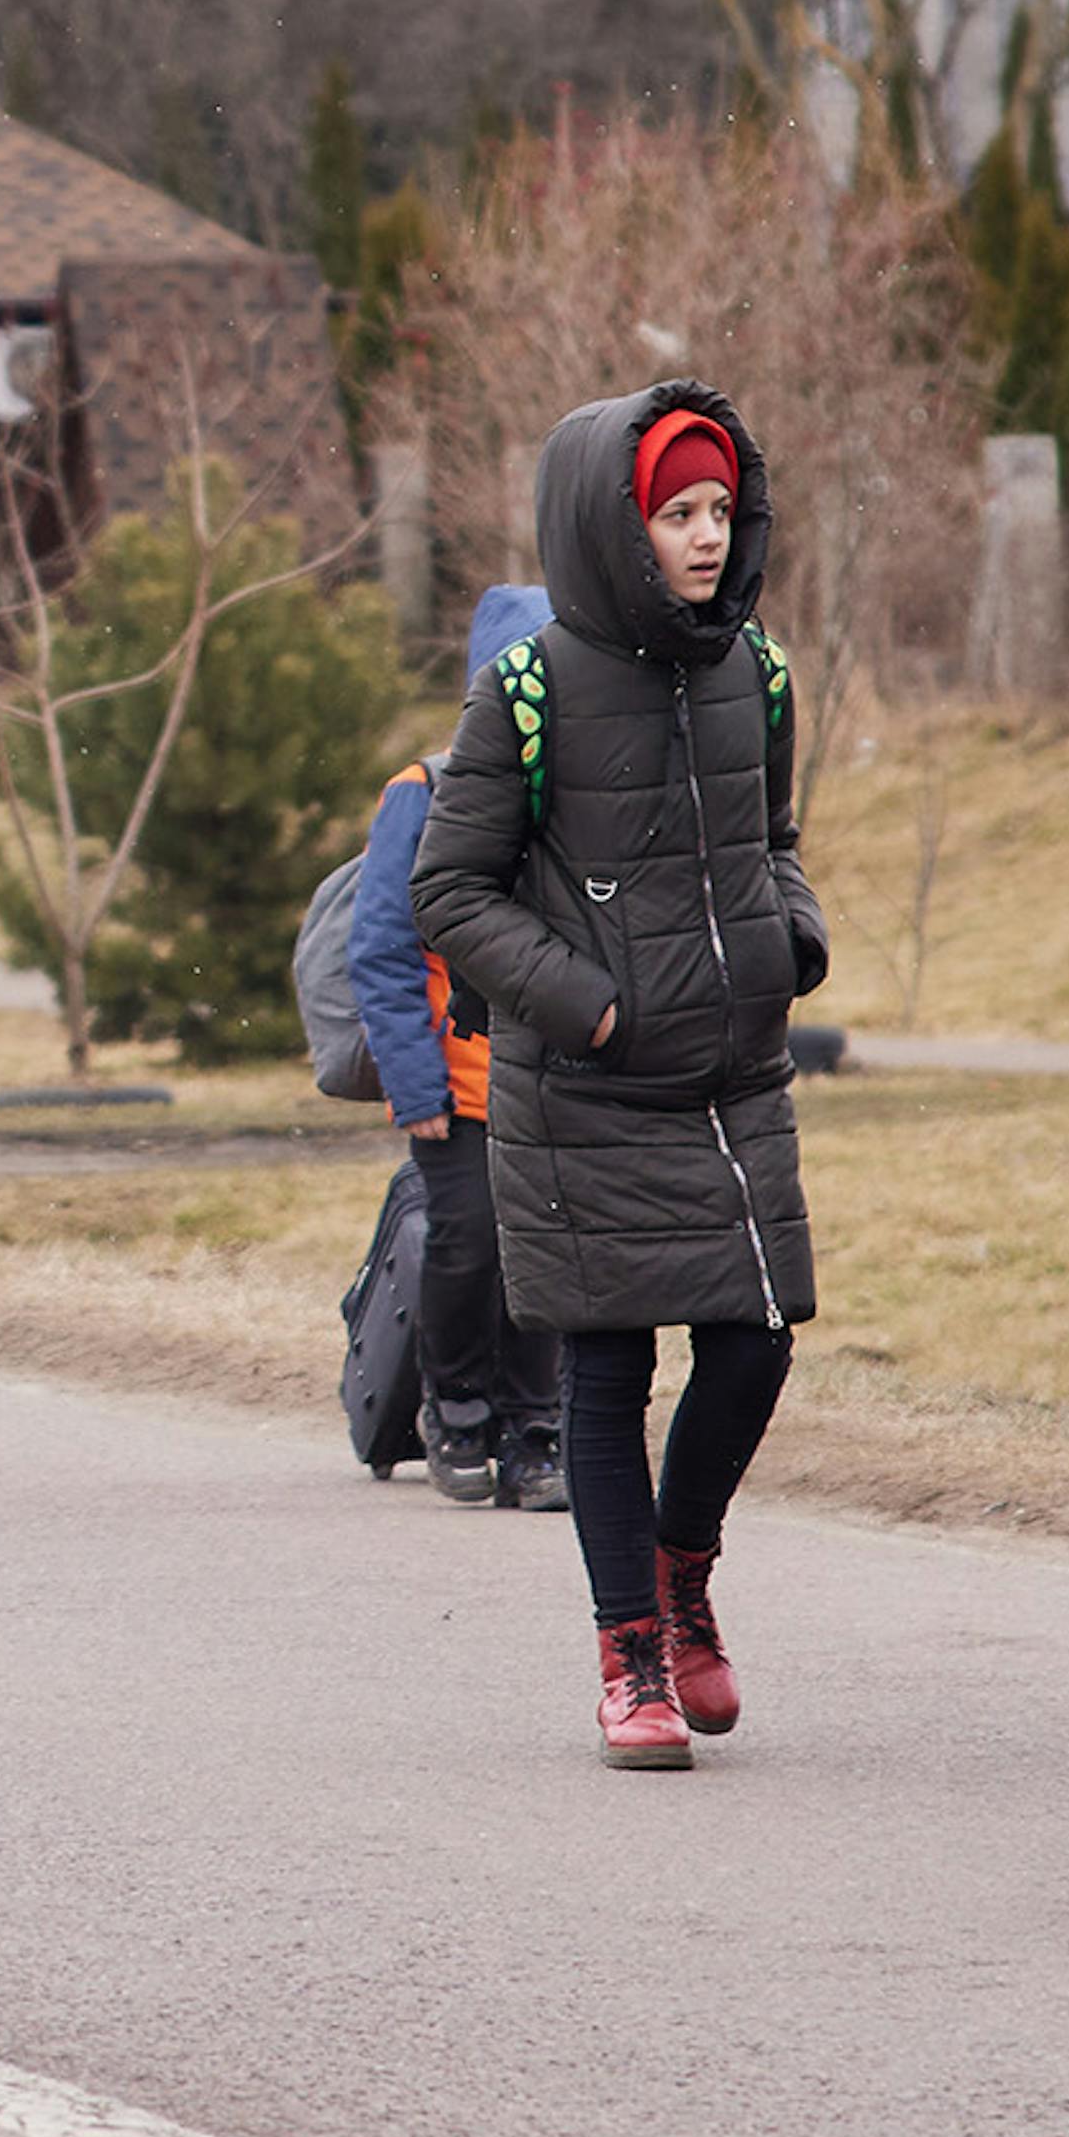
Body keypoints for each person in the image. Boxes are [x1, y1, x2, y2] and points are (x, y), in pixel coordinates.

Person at [414, 385, 828, 1766]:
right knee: (604, 1366)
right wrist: (590, 1007)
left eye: (719, 509)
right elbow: (451, 890)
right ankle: (631, 1655)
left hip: (733, 1075)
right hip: (583, 1087)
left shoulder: (755, 673)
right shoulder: (526, 691)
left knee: (757, 1338)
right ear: (616, 525)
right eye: (675, 514)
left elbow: (771, 840)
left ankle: (684, 1572)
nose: (706, 537)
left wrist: (794, 937)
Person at [348, 582, 555, 1513]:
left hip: (552, 1080)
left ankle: (536, 1429)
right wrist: (415, 1084)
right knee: (470, 1246)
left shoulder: (577, 792)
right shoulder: (421, 793)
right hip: (455, 1081)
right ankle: (459, 1411)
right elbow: (383, 949)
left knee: (547, 1258)